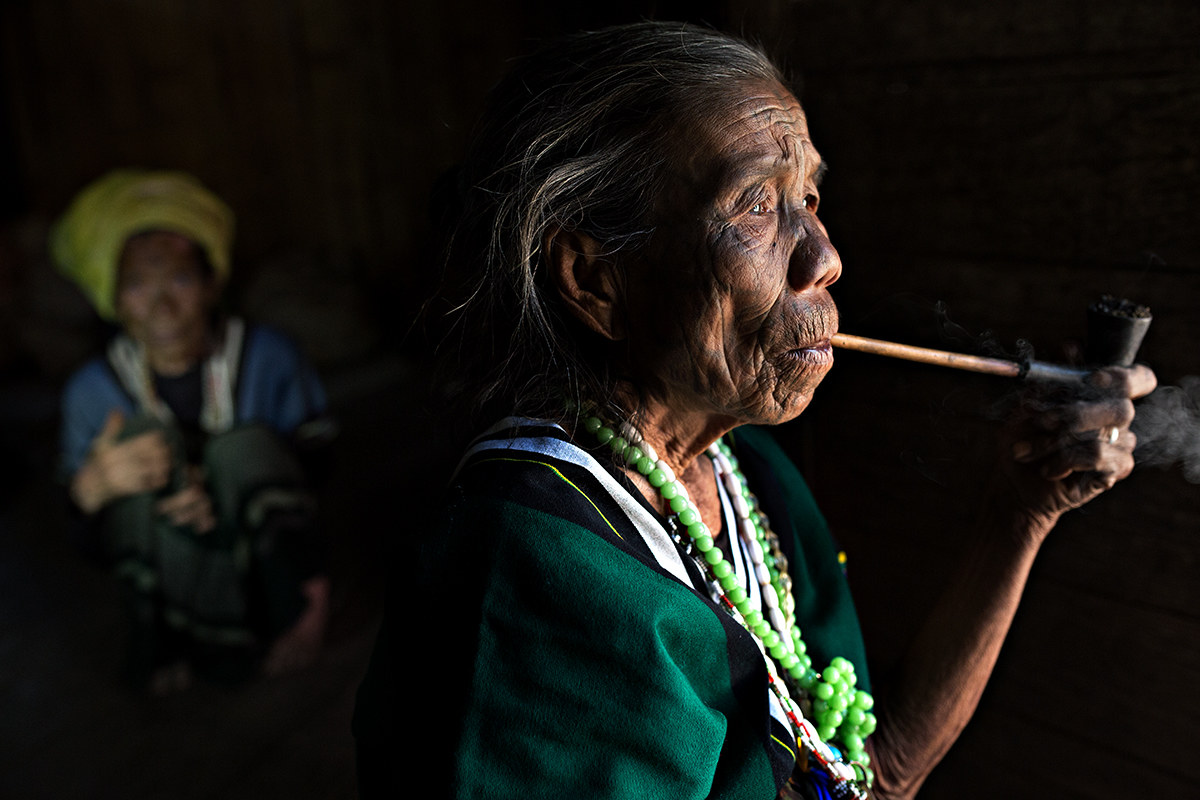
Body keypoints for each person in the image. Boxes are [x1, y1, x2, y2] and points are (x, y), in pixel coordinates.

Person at [353, 23, 1156, 799]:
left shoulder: (745, 477)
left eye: (808, 195)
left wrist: (1021, 513)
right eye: (755, 207)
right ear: (596, 280)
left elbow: (870, 777)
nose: (825, 257)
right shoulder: (535, 561)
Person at [54, 169, 333, 693]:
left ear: (211, 285)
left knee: (243, 447)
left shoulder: (270, 356)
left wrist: (221, 478)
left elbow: (319, 464)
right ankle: (173, 641)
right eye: (137, 286)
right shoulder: (91, 392)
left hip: (256, 549)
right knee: (131, 451)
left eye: (179, 280)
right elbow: (85, 539)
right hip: (173, 558)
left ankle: (301, 608)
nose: (161, 306)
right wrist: (92, 490)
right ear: (114, 301)